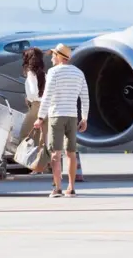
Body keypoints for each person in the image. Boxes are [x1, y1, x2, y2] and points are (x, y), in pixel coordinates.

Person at [34, 43, 89, 198]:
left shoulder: (53, 72)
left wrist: (40, 117)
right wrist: (84, 118)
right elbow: (85, 97)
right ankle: (71, 188)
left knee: (55, 154)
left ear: (59, 56)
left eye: (53, 55)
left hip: (56, 116)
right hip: (72, 116)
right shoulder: (79, 73)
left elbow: (47, 96)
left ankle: (57, 188)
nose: (51, 58)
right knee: (71, 153)